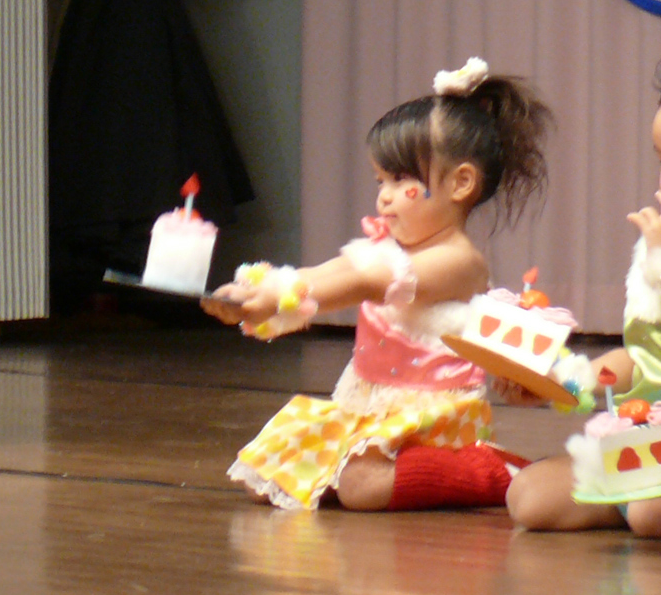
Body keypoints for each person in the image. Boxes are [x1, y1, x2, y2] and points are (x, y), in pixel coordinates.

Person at [211, 58, 553, 512]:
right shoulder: (387, 246)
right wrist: (264, 291)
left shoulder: (459, 261)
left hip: (434, 416)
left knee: (360, 486)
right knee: (274, 472)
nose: (384, 196)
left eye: (400, 179)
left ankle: (489, 468)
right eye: (381, 180)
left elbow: (367, 281)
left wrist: (281, 297)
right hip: (369, 403)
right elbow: (330, 272)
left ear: (461, 183)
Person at [508, 56, 661, 533]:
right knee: (527, 497)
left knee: (648, 514)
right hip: (646, 434)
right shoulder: (656, 244)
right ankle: (630, 491)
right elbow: (643, 358)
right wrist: (563, 381)